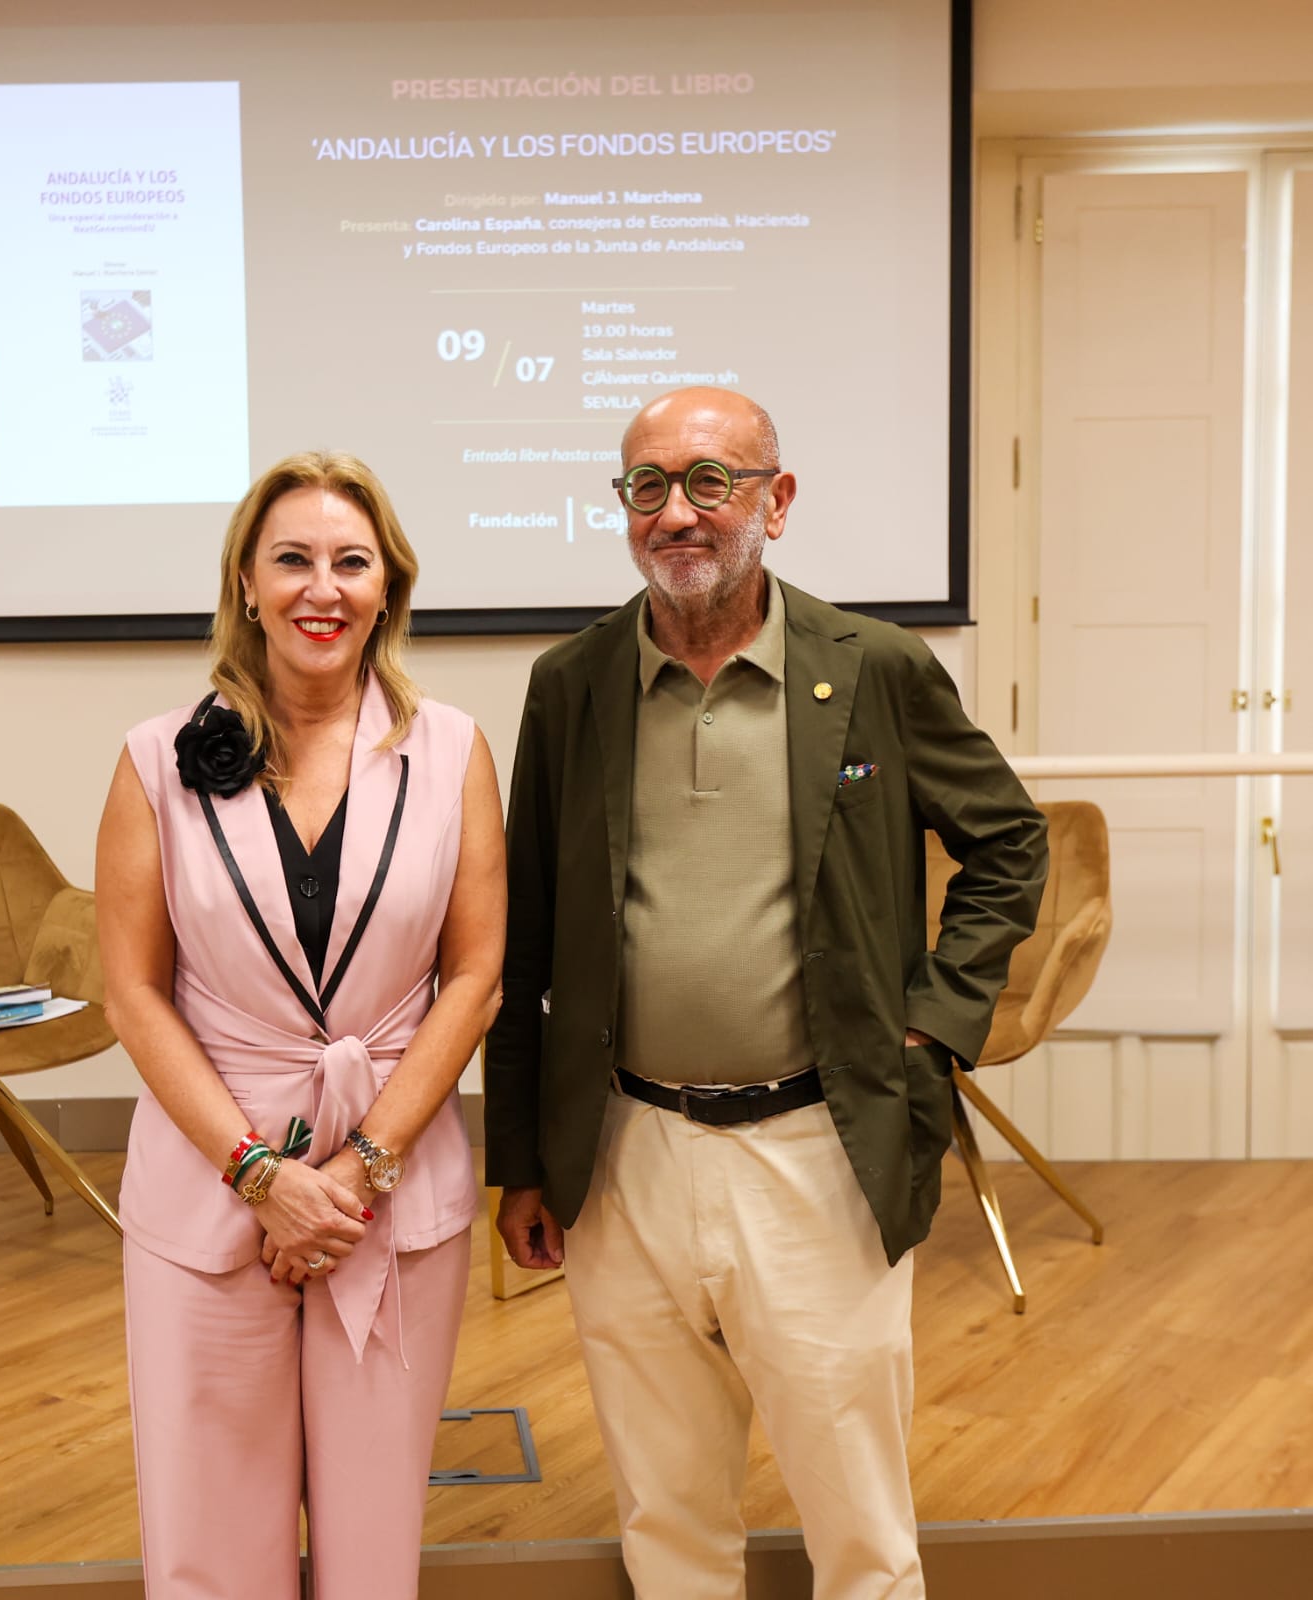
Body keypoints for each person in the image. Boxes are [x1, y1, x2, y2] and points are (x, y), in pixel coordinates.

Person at [484, 387, 1047, 1599]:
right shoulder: (570, 682)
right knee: (666, 1510)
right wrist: (521, 1156)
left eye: (709, 480)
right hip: (623, 1153)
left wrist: (936, 1024)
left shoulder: (877, 668)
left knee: (859, 1518)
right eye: (647, 485)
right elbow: (522, 938)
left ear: (775, 503)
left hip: (816, 1147)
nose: (676, 512)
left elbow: (1009, 843)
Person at [97, 451, 505, 1600]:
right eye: (292, 559)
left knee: (376, 1540)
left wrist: (359, 1173)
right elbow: (133, 990)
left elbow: (472, 977)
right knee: (207, 1528)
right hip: (204, 1190)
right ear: (245, 581)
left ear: (388, 588)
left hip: (393, 1191)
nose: (320, 587)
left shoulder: (455, 753)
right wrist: (262, 1176)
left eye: (350, 561)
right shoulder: (153, 761)